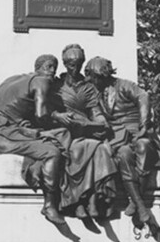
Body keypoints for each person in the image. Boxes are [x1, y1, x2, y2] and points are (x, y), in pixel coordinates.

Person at [84, 56, 160, 238]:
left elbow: (143, 96)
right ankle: (141, 206)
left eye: (94, 77)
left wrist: (144, 125)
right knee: (124, 155)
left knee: (144, 147)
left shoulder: (123, 85)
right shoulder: (94, 93)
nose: (92, 81)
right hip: (117, 137)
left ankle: (137, 202)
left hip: (136, 131)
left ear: (103, 75)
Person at [0, 54, 67, 224]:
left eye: (54, 67)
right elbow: (41, 115)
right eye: (50, 66)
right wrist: (59, 118)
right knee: (52, 151)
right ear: (41, 68)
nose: (53, 71)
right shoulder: (41, 82)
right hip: (6, 135)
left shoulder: (13, 79)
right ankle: (49, 205)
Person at [50, 44, 118, 219]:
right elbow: (43, 109)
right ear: (65, 64)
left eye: (79, 63)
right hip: (63, 132)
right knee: (76, 150)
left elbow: (96, 112)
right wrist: (58, 115)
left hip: (84, 131)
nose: (76, 68)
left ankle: (93, 200)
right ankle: (77, 202)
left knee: (101, 148)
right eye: (72, 64)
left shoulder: (88, 88)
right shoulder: (55, 86)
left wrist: (99, 123)